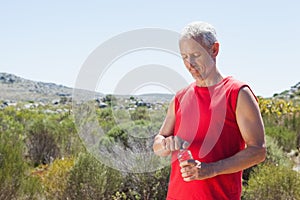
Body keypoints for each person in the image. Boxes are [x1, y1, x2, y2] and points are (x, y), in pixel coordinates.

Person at [153, 21, 266, 200]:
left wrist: (211, 169)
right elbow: (158, 144)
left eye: (195, 55)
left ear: (214, 50)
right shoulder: (180, 97)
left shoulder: (237, 93)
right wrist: (165, 144)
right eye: (184, 57)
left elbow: (258, 151)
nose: (189, 64)